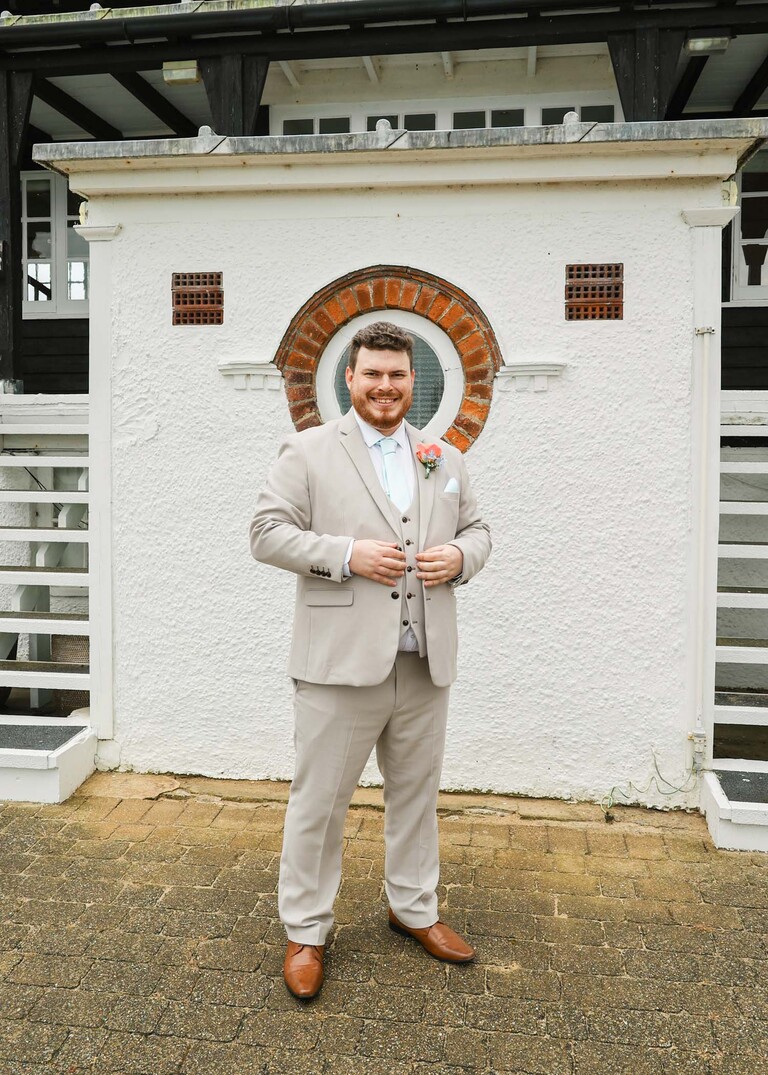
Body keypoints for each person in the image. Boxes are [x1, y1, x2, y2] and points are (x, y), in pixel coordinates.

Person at [250, 320, 491, 1000]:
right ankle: (306, 928)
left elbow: (479, 530)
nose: (385, 385)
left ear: (413, 382)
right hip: (337, 664)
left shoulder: (443, 455)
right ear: (349, 379)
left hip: (423, 661)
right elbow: (267, 534)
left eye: (397, 374)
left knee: (416, 796)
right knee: (319, 803)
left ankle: (413, 907)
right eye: (372, 374)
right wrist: (345, 554)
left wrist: (461, 558)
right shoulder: (306, 451)